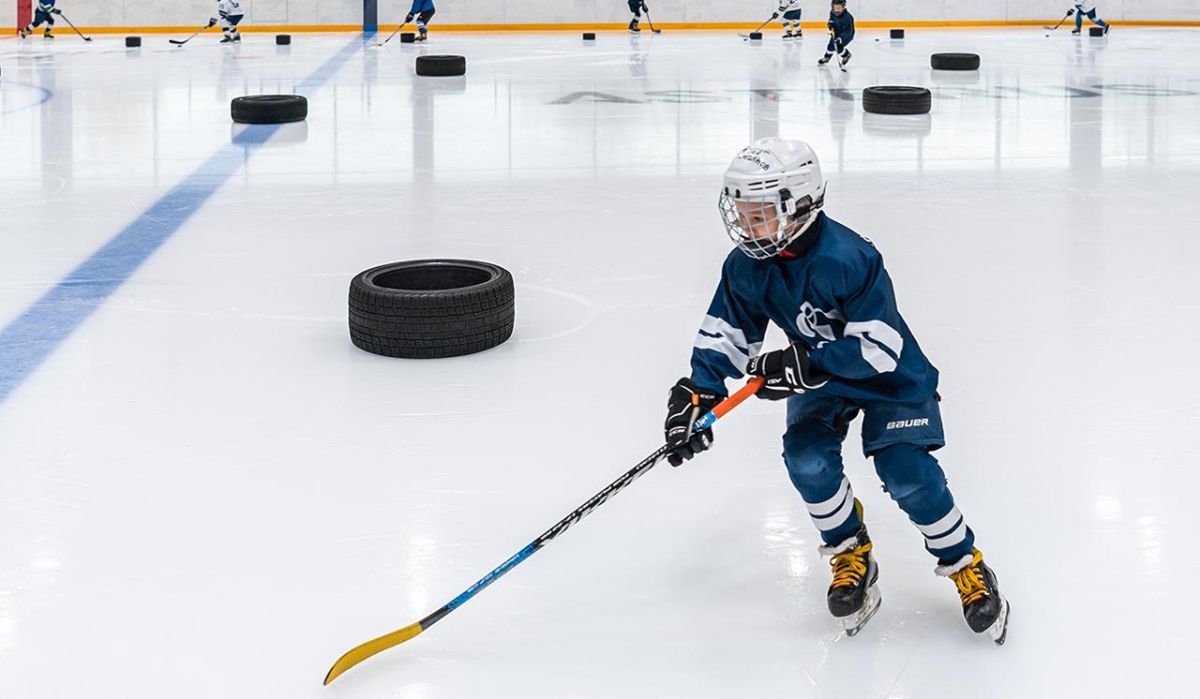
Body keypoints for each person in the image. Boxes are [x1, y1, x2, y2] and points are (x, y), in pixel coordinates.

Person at [663, 137, 1010, 643]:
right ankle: (851, 552)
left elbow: (878, 347)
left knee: (908, 474)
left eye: (758, 212)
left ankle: (963, 562)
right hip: (822, 378)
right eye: (740, 209)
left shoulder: (850, 256)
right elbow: (727, 332)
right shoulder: (746, 266)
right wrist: (699, 390)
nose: (744, 223)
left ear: (800, 205)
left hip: (890, 379)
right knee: (807, 460)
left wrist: (805, 362)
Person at [819, 0, 854, 66]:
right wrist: (830, 24)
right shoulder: (832, 13)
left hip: (847, 35)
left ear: (843, 7)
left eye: (839, 8)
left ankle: (846, 55)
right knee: (830, 45)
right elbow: (831, 20)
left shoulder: (847, 17)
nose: (837, 10)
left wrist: (840, 38)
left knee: (838, 47)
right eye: (835, 8)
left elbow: (848, 31)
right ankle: (827, 57)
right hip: (836, 32)